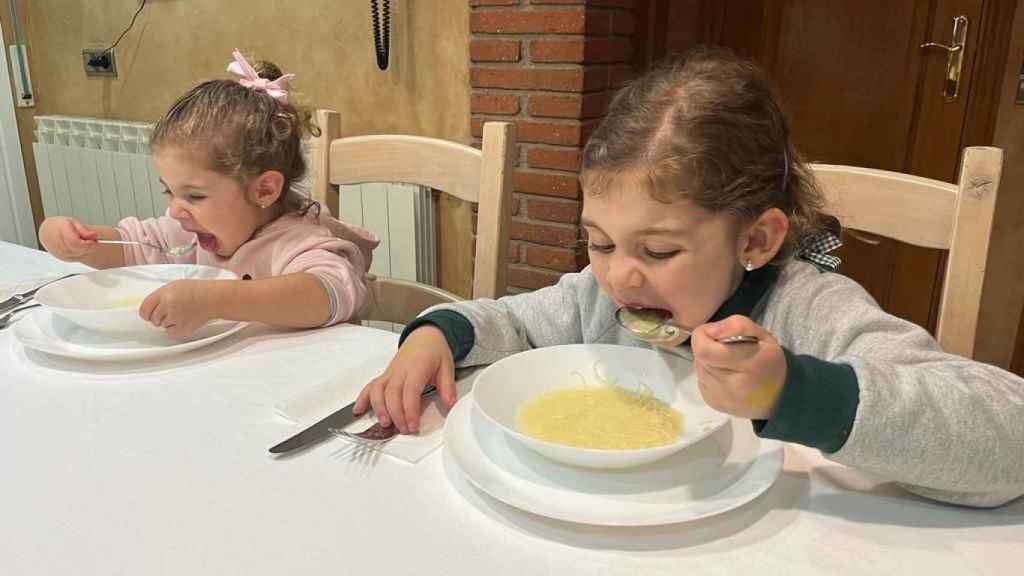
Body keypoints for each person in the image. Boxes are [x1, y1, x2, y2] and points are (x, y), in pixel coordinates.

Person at [354, 47, 1024, 508]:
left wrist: (798, 392)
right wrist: (436, 336)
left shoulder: (810, 310)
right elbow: (518, 321)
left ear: (756, 239)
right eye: (599, 241)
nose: (620, 276)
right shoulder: (600, 299)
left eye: (661, 251)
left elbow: (1009, 440)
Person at [39, 50, 378, 338]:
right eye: (169, 191)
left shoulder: (300, 241)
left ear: (264, 189)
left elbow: (330, 293)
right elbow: (132, 247)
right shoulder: (189, 234)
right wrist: (76, 240)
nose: (175, 211)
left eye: (194, 196)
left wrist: (215, 300)